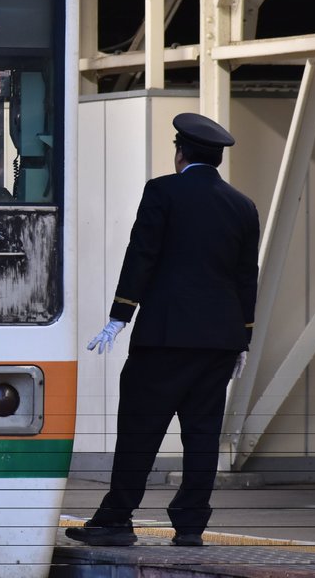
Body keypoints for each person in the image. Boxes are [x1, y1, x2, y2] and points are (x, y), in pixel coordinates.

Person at [67, 112, 259, 548]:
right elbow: (247, 277)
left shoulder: (162, 191)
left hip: (165, 337)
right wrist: (242, 337)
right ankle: (190, 525)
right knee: (202, 433)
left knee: (140, 427)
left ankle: (116, 519)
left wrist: (120, 315)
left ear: (180, 153)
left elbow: (143, 254)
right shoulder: (243, 206)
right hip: (220, 341)